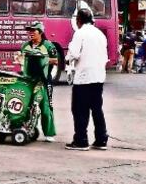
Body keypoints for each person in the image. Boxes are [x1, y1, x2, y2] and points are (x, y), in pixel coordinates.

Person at [66, 9, 109, 151]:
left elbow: (74, 53)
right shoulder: (100, 34)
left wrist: (67, 60)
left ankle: (81, 140)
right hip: (98, 77)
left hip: (84, 77)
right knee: (97, 109)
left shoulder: (80, 33)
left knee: (79, 109)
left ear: (78, 20)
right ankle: (101, 139)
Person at [20, 21, 58, 142]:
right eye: (29, 31)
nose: (30, 33)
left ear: (40, 32)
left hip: (44, 81)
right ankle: (30, 129)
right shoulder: (25, 45)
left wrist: (42, 58)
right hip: (28, 80)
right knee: (28, 105)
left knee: (45, 107)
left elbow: (55, 61)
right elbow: (20, 59)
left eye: (33, 31)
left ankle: (49, 133)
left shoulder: (49, 46)